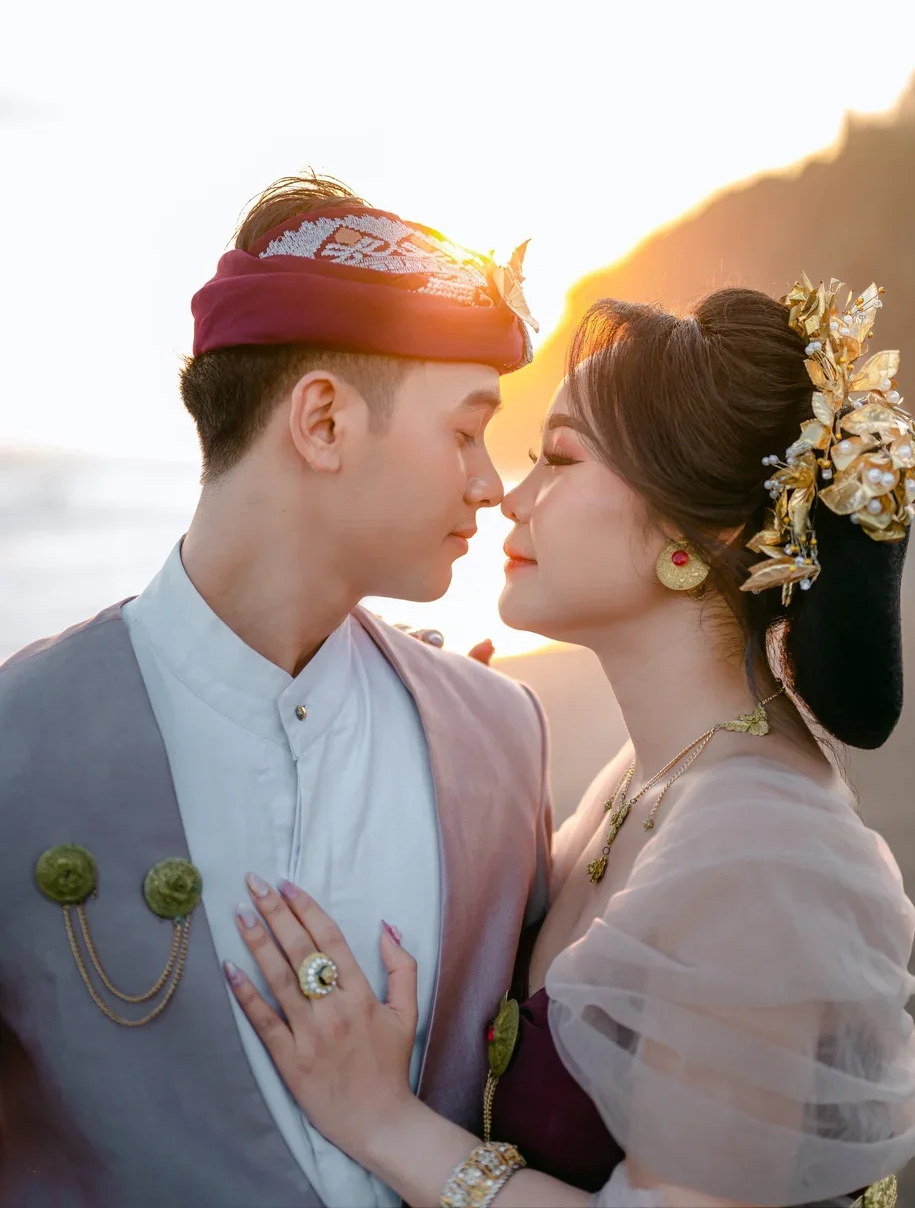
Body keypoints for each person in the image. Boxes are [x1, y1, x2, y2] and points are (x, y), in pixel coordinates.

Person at [226, 278, 915, 1207]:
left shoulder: (763, 853)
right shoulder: (652, 773)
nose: (509, 497)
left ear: (698, 534)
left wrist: (380, 1119)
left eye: (559, 459)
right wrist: (431, 732)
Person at [0, 174, 552, 1208]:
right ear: (324, 424)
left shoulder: (499, 735)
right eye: (466, 430)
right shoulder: (15, 742)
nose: (489, 483)